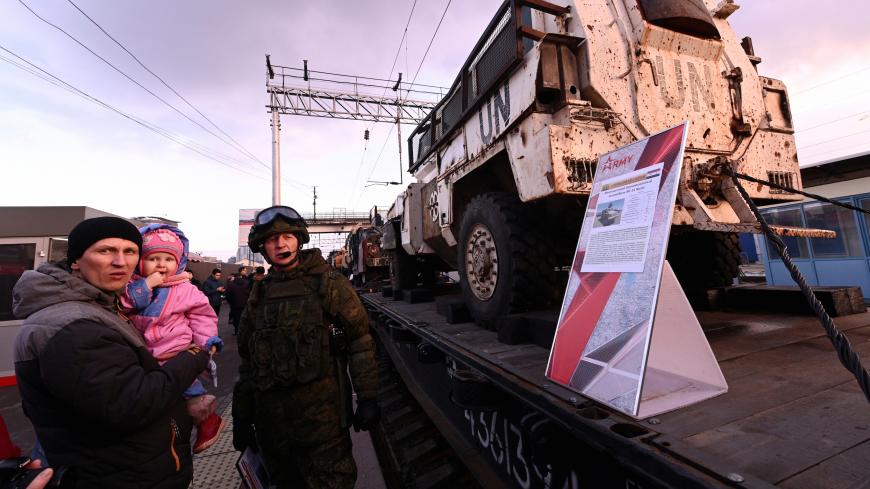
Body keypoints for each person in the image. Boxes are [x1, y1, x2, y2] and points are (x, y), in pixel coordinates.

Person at [12, 216, 209, 488]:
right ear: (75, 261)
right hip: (115, 475)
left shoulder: (100, 306)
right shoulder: (73, 324)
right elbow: (133, 403)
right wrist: (196, 354)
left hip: (130, 468)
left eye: (130, 251)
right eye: (105, 250)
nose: (121, 262)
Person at [232, 206, 380, 489]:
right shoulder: (259, 293)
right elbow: (248, 362)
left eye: (287, 236)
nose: (280, 244)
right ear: (262, 247)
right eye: (272, 239)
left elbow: (360, 341)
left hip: (322, 430)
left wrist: (368, 397)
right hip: (273, 431)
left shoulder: (328, 284)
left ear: (298, 240)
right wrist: (241, 415)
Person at [121, 224, 226, 453]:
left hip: (176, 350)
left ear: (178, 263)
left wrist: (208, 341)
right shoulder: (130, 286)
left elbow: (202, 317)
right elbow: (123, 305)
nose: (161, 264)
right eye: (153, 258)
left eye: (168, 259)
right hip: (143, 354)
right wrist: (145, 286)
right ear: (140, 262)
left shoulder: (185, 289)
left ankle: (206, 419)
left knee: (189, 390)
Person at [225, 266, 251, 336]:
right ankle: (244, 331)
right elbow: (249, 293)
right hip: (245, 303)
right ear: (241, 276)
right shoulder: (247, 283)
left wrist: (231, 303)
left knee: (236, 318)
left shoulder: (231, 285)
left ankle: (237, 331)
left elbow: (228, 296)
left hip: (235, 304)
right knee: (244, 317)